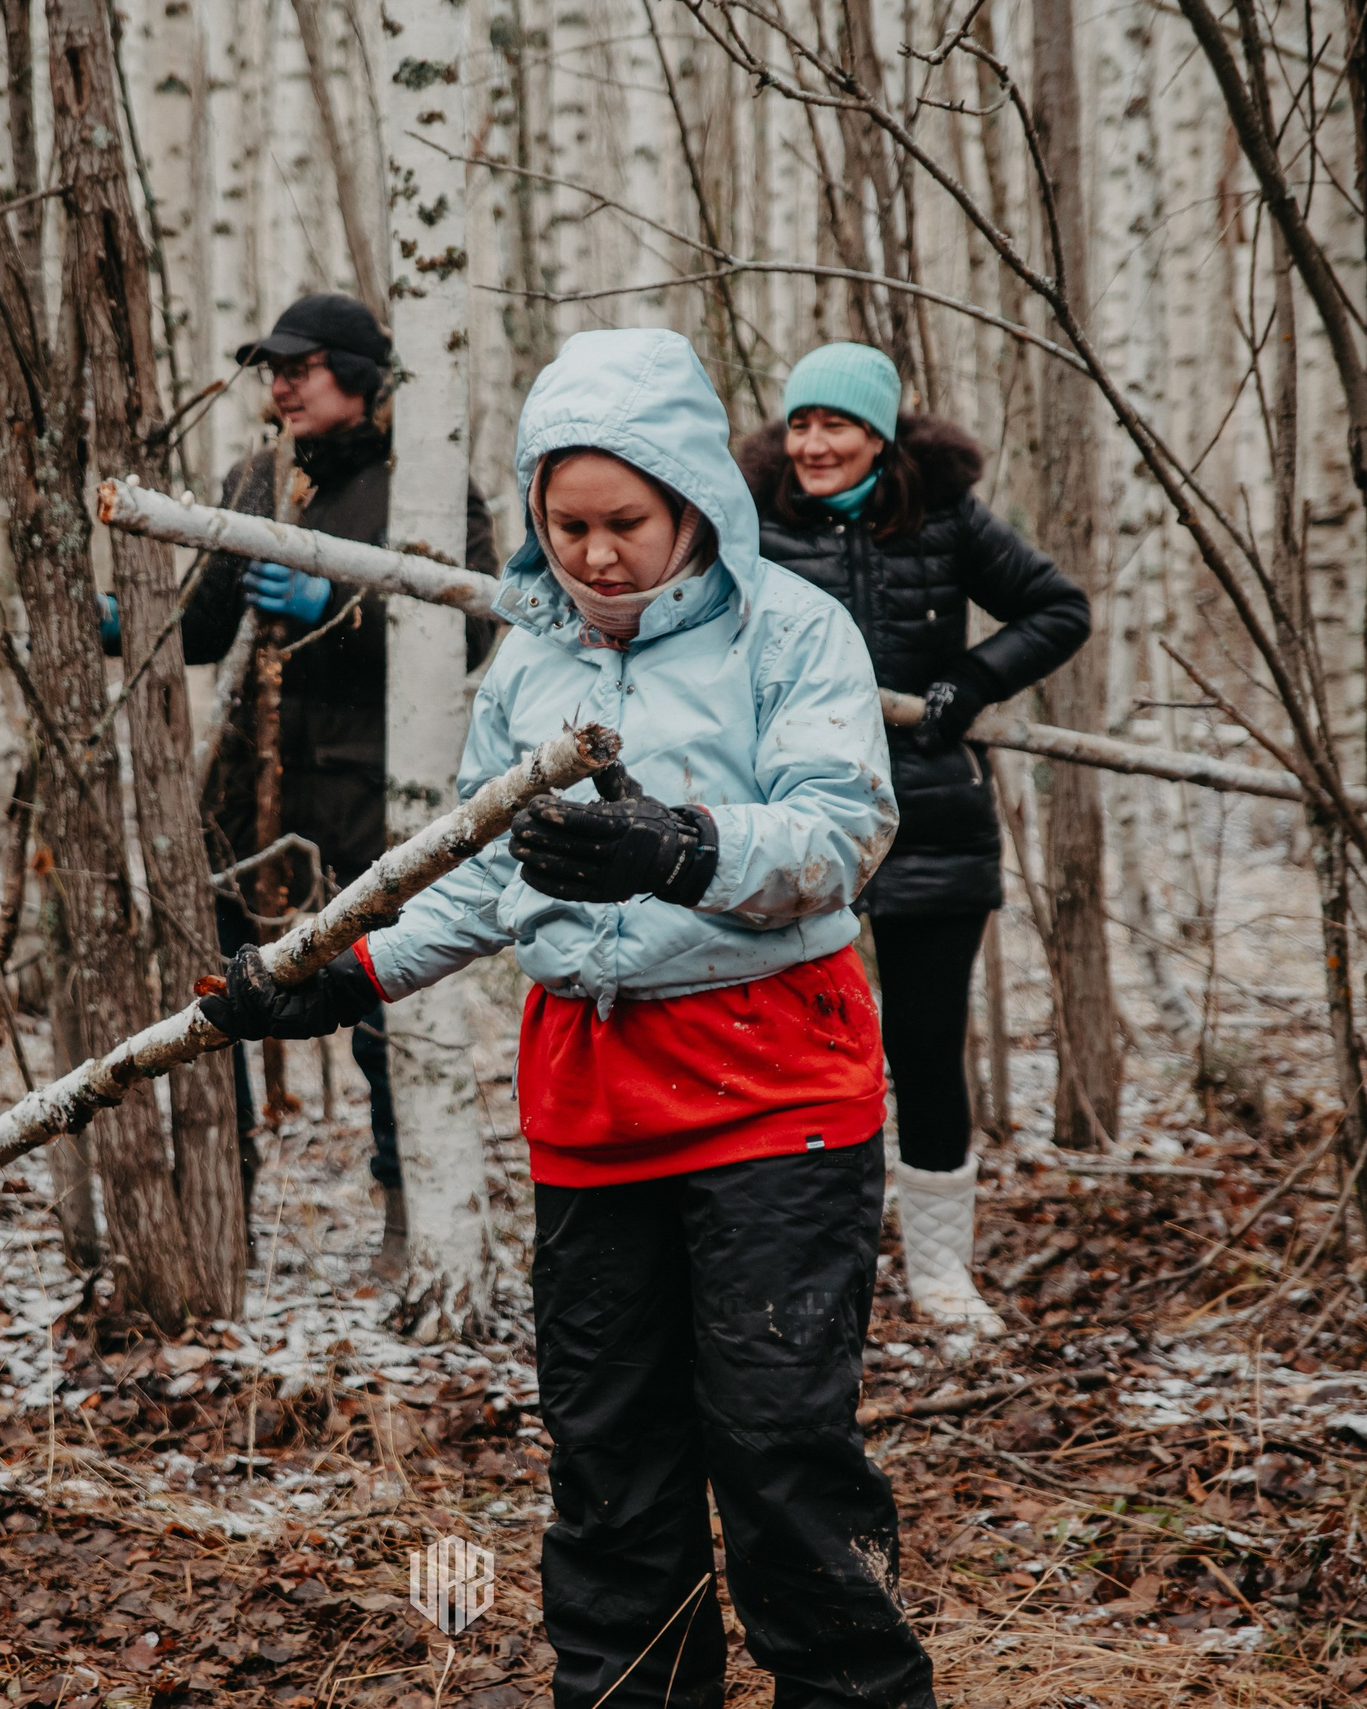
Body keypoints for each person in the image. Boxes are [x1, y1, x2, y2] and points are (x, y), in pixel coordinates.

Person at [204, 329, 935, 1709]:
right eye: (568, 524)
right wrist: (345, 974)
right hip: (593, 1107)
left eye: (628, 524)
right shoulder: (530, 665)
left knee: (778, 1449)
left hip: (773, 1088)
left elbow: (840, 835)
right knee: (609, 1456)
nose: (597, 555)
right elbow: (479, 878)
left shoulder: (790, 629)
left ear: (693, 503)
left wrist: (679, 848)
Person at [738, 342, 1090, 1336]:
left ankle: (940, 1276)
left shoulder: (944, 517)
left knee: (926, 1053)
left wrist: (972, 680)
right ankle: (809, 1266)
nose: (813, 443)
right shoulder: (751, 523)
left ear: (879, 435)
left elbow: (1058, 609)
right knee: (799, 1055)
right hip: (801, 827)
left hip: (933, 819)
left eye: (836, 425)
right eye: (801, 423)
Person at [180, 293, 501, 1266]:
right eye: (269, 367)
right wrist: (119, 615)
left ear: (358, 375)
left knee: (379, 1019)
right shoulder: (254, 477)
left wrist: (344, 604)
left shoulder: (428, 480)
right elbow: (199, 631)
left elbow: (472, 629)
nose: (279, 382)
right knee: (213, 1000)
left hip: (371, 802)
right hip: (247, 803)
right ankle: (217, 1217)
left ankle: (409, 1220)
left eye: (301, 365)